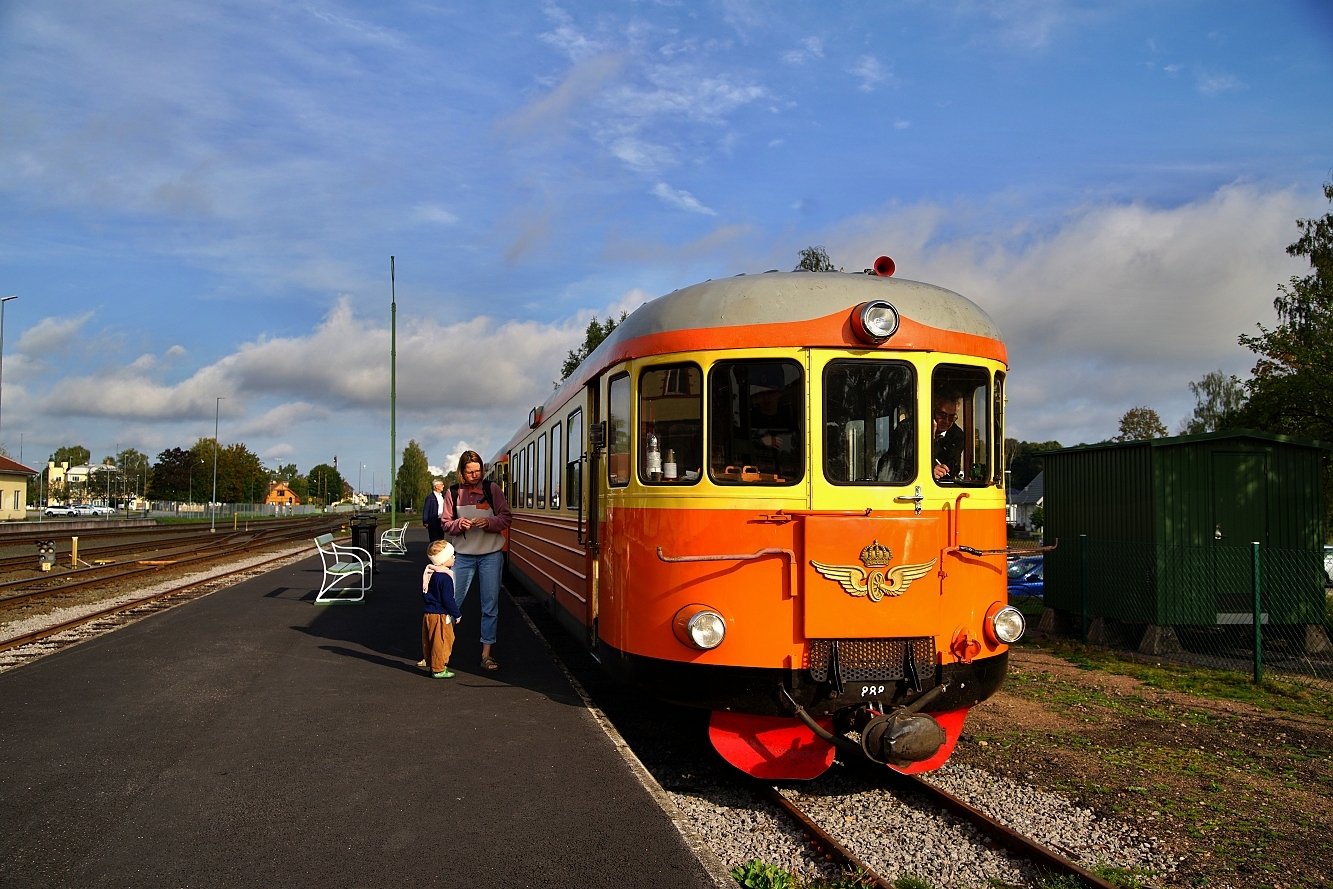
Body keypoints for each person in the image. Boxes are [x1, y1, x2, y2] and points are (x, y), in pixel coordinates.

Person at [440, 450, 512, 671]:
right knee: (451, 603)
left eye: (478, 470)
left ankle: (486, 655)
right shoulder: (453, 493)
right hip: (462, 557)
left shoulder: (492, 489)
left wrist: (489, 522)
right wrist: (458, 524)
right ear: (462, 472)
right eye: (470, 471)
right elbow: (445, 523)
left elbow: (506, 517)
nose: (475, 475)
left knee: (489, 606)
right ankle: (440, 652)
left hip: (491, 555)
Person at [420, 540, 461, 679]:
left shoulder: (431, 573)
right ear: (443, 560)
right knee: (442, 641)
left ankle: (433, 664)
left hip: (429, 613)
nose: (454, 557)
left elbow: (425, 592)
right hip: (440, 615)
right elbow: (448, 599)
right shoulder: (445, 577)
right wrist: (457, 614)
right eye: (451, 556)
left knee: (430, 640)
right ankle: (438, 669)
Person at [931, 394, 965, 482]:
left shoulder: (957, 435)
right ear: (933, 412)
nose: (946, 421)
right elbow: (897, 464)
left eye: (951, 417)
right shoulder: (909, 429)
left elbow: (952, 467)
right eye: (942, 415)